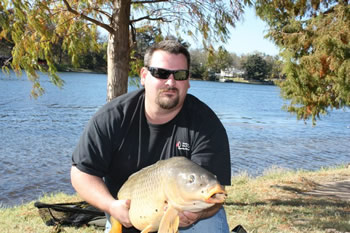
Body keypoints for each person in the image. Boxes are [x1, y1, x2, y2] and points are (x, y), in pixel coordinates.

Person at [71, 39, 231, 233]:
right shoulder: (112, 117)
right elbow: (81, 174)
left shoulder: (206, 124)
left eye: (179, 75)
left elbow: (214, 193)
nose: (170, 82)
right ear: (144, 76)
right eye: (161, 73)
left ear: (188, 81)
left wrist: (197, 214)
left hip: (186, 214)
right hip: (124, 215)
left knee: (208, 225)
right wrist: (111, 206)